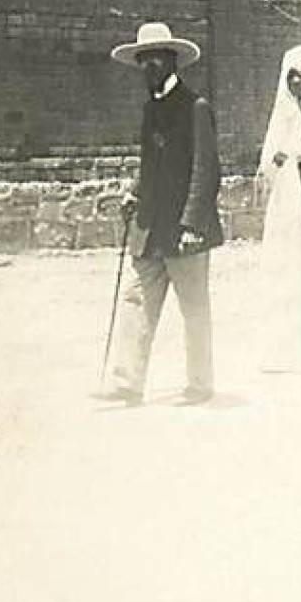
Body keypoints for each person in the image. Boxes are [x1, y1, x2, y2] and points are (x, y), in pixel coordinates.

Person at [97, 21, 222, 403]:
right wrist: (134, 193)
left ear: (172, 62)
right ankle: (126, 382)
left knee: (193, 308)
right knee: (136, 299)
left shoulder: (196, 107)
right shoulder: (150, 109)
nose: (148, 69)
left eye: (155, 61)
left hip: (184, 230)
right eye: (143, 63)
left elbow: (206, 170)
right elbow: (150, 164)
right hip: (150, 226)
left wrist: (191, 224)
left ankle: (200, 385)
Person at [255, 43, 301, 373]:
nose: (295, 83)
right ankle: (286, 343)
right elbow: (274, 152)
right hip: (286, 197)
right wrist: (274, 161)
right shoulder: (285, 111)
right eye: (291, 77)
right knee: (287, 261)